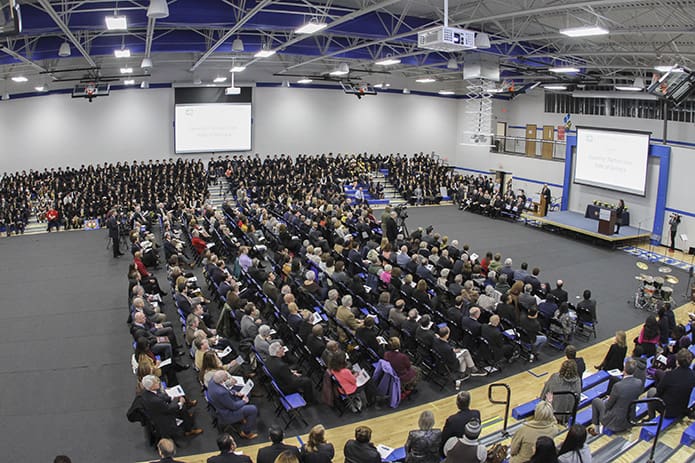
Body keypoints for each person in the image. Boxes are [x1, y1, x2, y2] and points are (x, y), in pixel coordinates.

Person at [588, 359, 643, 435]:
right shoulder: (639, 383)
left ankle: (597, 430)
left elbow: (608, 405)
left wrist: (607, 400)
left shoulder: (618, 386)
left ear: (624, 369)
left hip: (616, 420)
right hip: (629, 418)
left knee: (596, 401)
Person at [140, 375, 203, 440]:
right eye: (155, 382)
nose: (158, 382)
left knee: (180, 397)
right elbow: (169, 409)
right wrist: (180, 403)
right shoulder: (154, 400)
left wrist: (172, 397)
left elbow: (160, 396)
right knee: (182, 408)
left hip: (162, 408)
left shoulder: (147, 391)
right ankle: (188, 430)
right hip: (163, 417)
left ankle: (188, 409)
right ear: (151, 387)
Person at [207, 371, 259, 439]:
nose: (228, 378)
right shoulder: (221, 393)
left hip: (222, 403)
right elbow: (233, 407)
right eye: (226, 377)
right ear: (223, 380)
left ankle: (242, 417)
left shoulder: (212, 381)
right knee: (253, 409)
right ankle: (246, 432)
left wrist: (235, 393)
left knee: (246, 393)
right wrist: (244, 401)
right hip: (227, 413)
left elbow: (225, 389)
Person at [646, 349, 695, 420]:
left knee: (651, 391)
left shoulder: (669, 375)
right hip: (682, 407)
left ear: (677, 361)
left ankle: (651, 417)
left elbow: (659, 391)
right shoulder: (693, 375)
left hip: (668, 410)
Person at [440, 391, 481, 455]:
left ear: (457, 403)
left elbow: (444, 438)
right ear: (469, 402)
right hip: (472, 446)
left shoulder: (452, 420)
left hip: (457, 448)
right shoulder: (476, 413)